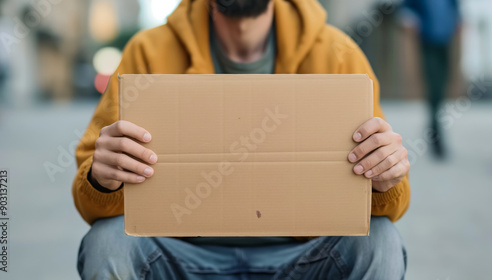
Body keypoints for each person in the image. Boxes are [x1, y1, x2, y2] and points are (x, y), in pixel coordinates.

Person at [73, 0, 411, 279]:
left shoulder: (338, 55)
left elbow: (389, 204)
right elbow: (90, 201)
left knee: (381, 240)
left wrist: (386, 177)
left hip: (305, 258)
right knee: (107, 241)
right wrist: (102, 180)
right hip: (179, 256)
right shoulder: (147, 53)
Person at [402, 0, 460, 158]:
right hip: (428, 41)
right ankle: (436, 133)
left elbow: (456, 9)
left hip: (445, 41)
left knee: (441, 88)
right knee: (434, 88)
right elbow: (406, 9)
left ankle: (435, 130)